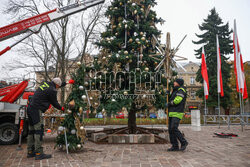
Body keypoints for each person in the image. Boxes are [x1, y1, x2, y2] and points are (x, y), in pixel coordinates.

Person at [27, 78, 65, 160]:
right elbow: (54, 102)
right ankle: (38, 153)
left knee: (32, 130)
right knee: (38, 130)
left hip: (30, 108)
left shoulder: (46, 84)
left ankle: (30, 151)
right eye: (58, 86)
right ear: (57, 85)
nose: (58, 88)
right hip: (36, 109)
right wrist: (62, 108)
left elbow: (58, 84)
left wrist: (66, 83)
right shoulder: (52, 90)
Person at [165, 78, 188, 151]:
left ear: (179, 83)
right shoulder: (175, 90)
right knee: (170, 130)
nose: (174, 83)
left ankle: (184, 142)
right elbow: (172, 99)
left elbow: (177, 100)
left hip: (177, 112)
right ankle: (175, 146)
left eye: (175, 82)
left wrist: (169, 103)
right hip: (172, 112)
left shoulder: (181, 90)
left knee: (174, 128)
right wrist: (168, 95)